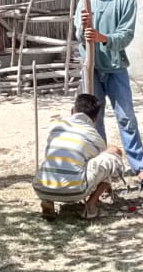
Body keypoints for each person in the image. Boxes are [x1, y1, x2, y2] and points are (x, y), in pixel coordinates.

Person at [75, 0, 143, 190]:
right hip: (91, 69)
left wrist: (103, 38)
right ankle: (101, 168)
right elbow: (79, 36)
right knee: (93, 120)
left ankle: (139, 168)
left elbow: (126, 35)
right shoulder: (86, 2)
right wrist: (84, 26)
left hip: (115, 68)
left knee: (126, 117)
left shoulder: (126, 1)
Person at [33, 93, 127, 221]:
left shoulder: (55, 126)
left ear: (72, 111)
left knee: (55, 157)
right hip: (75, 192)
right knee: (112, 153)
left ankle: (48, 201)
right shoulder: (94, 137)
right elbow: (98, 162)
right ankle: (91, 206)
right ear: (95, 119)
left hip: (41, 188)